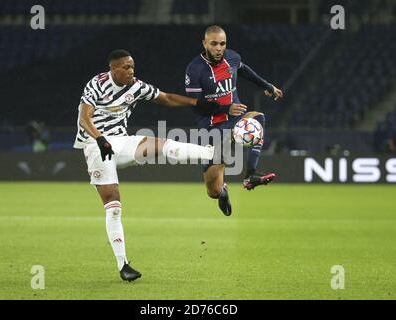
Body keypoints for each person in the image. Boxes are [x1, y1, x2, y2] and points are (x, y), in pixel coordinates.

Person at [74, 49, 226, 282]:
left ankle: (209, 153)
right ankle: (123, 265)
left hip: (120, 142)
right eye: (126, 67)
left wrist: (197, 103)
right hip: (95, 146)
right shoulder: (96, 84)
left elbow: (165, 98)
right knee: (113, 206)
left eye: (133, 66)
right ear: (113, 69)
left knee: (161, 144)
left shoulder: (136, 86)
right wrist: (100, 139)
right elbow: (85, 118)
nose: (131, 71)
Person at [185, 25, 283, 216]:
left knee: (258, 119)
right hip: (211, 127)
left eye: (222, 43)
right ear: (205, 43)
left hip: (235, 118)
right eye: (214, 44)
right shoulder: (194, 70)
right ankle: (222, 192)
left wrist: (268, 86)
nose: (219, 48)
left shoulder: (232, 57)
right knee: (212, 190)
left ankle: (251, 174)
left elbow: (244, 70)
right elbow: (195, 105)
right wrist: (224, 108)